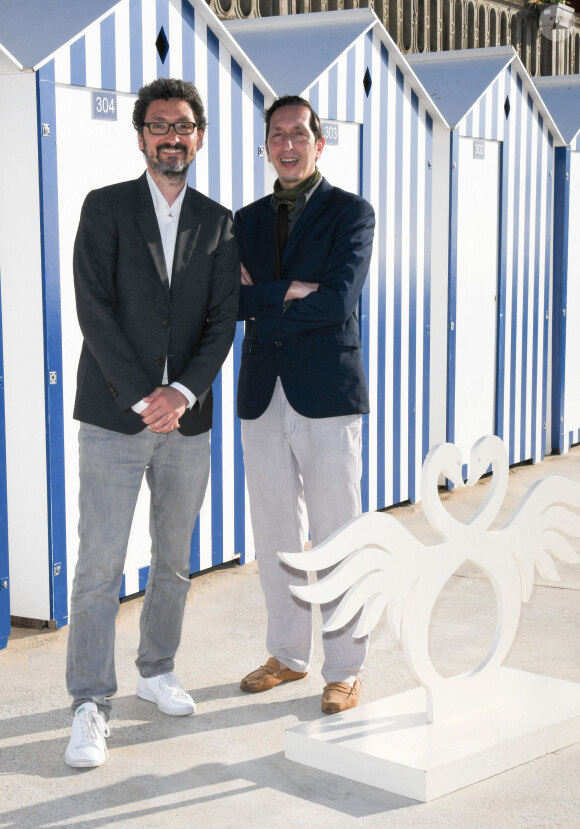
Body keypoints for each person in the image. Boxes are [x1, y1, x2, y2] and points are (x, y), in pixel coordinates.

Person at [65, 78, 239, 768]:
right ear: (141, 135)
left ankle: (157, 668)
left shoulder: (219, 222)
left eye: (185, 125)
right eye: (160, 124)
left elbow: (222, 321)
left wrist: (186, 393)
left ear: (198, 136)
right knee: (100, 565)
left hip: (188, 425)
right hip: (115, 416)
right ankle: (89, 700)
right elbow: (93, 310)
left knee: (172, 560)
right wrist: (148, 396)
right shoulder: (104, 208)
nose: (173, 136)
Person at [234, 95, 375, 714]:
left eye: (298, 134)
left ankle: (345, 667)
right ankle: (288, 655)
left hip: (325, 392)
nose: (287, 145)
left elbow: (339, 300)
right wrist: (288, 291)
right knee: (274, 533)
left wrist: (264, 296)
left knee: (337, 533)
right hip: (263, 391)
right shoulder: (245, 220)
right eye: (276, 135)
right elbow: (227, 303)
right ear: (265, 145)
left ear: (320, 143)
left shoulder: (352, 214)